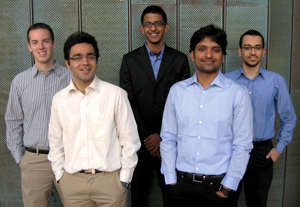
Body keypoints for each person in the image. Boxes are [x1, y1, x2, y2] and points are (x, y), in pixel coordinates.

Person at [160, 24, 254, 207]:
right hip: (180, 186)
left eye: (215, 50)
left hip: (219, 188)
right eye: (202, 49)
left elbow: (242, 145)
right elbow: (168, 139)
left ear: (223, 56)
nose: (209, 55)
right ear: (193, 55)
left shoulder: (238, 94)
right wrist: (171, 180)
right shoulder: (177, 91)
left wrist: (228, 186)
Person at [48, 31, 141, 207]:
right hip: (72, 184)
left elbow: (130, 141)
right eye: (77, 57)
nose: (85, 62)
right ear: (68, 63)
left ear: (96, 60)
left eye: (90, 56)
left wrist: (124, 180)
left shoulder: (116, 95)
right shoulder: (59, 100)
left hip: (110, 183)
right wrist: (61, 177)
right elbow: (55, 142)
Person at [119, 5, 190, 207]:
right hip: (139, 145)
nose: (153, 28)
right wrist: (149, 137)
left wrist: (161, 136)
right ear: (142, 29)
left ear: (166, 27)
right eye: (148, 24)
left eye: (158, 23)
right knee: (139, 199)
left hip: (169, 144)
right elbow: (127, 102)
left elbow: (182, 104)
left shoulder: (180, 60)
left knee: (171, 197)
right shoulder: (130, 60)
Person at [225, 30, 297, 207]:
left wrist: (278, 148)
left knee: (257, 203)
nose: (252, 52)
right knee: (226, 201)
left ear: (263, 52)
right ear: (240, 51)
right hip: (231, 151)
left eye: (257, 48)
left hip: (261, 152)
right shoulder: (227, 81)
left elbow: (289, 118)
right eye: (247, 47)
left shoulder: (276, 81)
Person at [5, 22, 72, 207]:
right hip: (33, 162)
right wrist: (21, 159)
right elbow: (13, 122)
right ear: (29, 47)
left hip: (68, 159)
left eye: (45, 41)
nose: (40, 47)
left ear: (54, 44)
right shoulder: (20, 82)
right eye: (35, 42)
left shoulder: (71, 78)